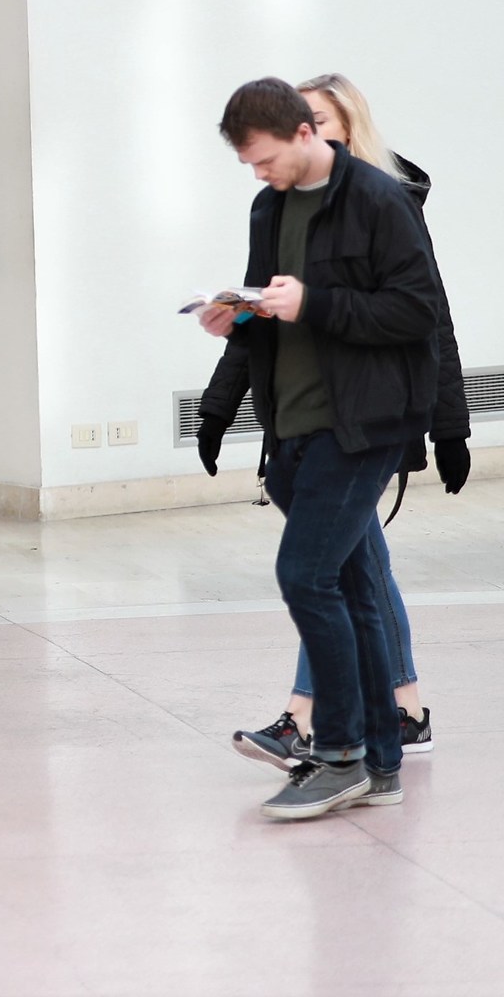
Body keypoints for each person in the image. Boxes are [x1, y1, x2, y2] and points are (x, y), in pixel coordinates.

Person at [193, 78, 451, 820]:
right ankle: (381, 761)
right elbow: (275, 300)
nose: (259, 174)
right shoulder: (269, 205)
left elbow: (417, 310)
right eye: (249, 164)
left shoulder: (377, 198)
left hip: (366, 424)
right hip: (297, 426)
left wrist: (316, 303)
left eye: (266, 159)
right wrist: (239, 317)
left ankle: (335, 752)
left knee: (305, 574)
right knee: (360, 592)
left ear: (307, 133)